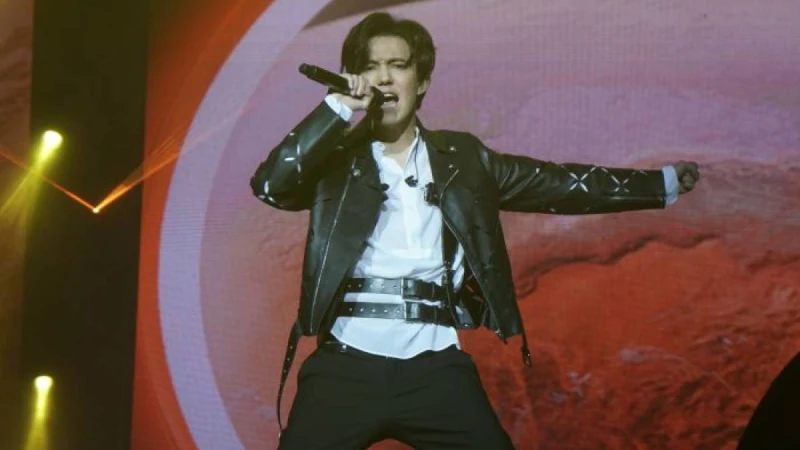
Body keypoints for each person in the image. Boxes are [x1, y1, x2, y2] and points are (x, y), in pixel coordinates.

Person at [250, 11, 699, 450]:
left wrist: (658, 185)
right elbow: (271, 185)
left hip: (434, 367)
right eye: (370, 67)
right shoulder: (334, 161)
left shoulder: (463, 159)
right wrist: (336, 107)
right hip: (345, 364)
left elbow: (557, 184)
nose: (383, 78)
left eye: (397, 66)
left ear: (421, 82)